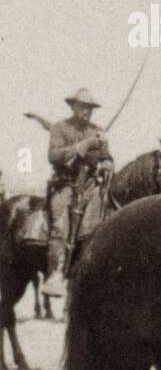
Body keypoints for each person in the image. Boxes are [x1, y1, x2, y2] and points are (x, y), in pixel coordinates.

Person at [43, 88, 113, 297]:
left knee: (103, 222)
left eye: (90, 108)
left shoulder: (98, 130)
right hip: (65, 185)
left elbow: (106, 156)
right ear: (73, 106)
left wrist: (107, 163)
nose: (86, 112)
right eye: (82, 107)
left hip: (91, 186)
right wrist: (84, 145)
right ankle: (55, 274)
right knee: (60, 225)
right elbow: (54, 156)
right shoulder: (60, 128)